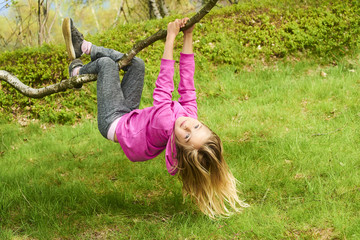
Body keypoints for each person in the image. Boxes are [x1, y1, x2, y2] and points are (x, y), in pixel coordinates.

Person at [62, 17, 248, 218]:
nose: (188, 126)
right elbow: (187, 80)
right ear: (205, 126)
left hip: (113, 122)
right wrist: (188, 35)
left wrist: (170, 38)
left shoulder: (165, 124)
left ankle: (77, 72)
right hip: (129, 115)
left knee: (107, 65)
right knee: (137, 65)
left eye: (186, 137)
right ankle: (84, 47)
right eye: (197, 128)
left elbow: (164, 86)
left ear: (177, 145)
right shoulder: (189, 116)